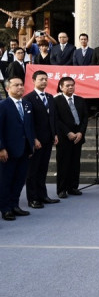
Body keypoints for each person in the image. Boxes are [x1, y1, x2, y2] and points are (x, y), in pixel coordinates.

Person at [24, 70, 61, 208]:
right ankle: (32, 198)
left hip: (48, 139)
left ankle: (42, 195)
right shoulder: (28, 99)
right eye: (41, 79)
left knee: (43, 169)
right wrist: (33, 138)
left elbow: (53, 118)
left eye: (46, 79)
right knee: (32, 170)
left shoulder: (51, 97)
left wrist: (55, 134)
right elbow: (28, 122)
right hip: (36, 141)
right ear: (33, 81)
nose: (44, 81)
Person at [0, 77, 35, 220]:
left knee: (19, 180)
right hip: (8, 151)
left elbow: (29, 127)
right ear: (8, 89)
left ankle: (15, 205)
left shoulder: (27, 105)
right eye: (16, 85)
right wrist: (1, 148)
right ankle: (5, 208)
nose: (20, 87)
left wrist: (31, 144)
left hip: (24, 149)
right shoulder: (3, 105)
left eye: (21, 85)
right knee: (5, 181)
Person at [53, 77, 88, 199]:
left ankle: (73, 187)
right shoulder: (56, 101)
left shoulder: (80, 100)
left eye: (72, 85)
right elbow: (56, 119)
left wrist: (80, 133)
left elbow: (84, 118)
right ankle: (62, 189)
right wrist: (68, 132)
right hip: (64, 138)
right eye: (67, 85)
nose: (70, 87)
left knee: (75, 163)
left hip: (78, 137)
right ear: (61, 87)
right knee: (63, 164)